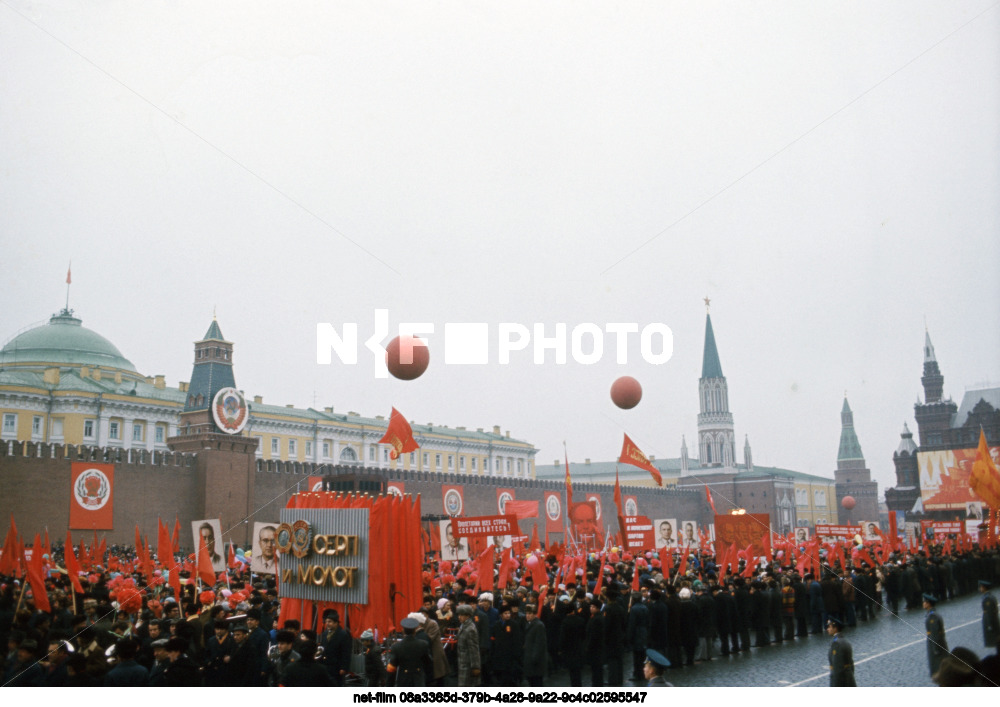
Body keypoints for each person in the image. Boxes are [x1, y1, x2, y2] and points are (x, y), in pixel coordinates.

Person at [386, 617, 431, 687]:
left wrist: (389, 685)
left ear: (403, 630)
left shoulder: (396, 647)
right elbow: (428, 663)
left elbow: (392, 669)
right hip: (419, 680)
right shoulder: (423, 644)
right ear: (415, 630)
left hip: (403, 680)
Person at [318, 609, 352, 686]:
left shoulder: (343, 635)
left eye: (329, 622)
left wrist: (344, 667)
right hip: (326, 666)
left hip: (337, 667)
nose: (327, 624)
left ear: (336, 623)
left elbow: (346, 653)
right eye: (326, 622)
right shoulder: (325, 633)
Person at [455, 606, 481, 687]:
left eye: (462, 615)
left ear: (468, 616)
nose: (459, 617)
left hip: (468, 663)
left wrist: (475, 666)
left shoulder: (470, 629)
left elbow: (474, 649)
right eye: (458, 615)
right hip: (462, 661)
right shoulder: (463, 625)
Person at [522, 603, 547, 687]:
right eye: (526, 613)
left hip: (535, 660)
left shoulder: (539, 625)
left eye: (530, 613)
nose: (527, 615)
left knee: (537, 683)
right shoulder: (529, 624)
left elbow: (539, 643)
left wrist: (534, 658)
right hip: (529, 658)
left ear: (534, 614)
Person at [826, 617, 855, 686]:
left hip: (841, 680)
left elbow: (837, 666)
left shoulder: (836, 644)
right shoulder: (845, 641)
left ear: (835, 629)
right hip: (849, 676)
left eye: (829, 627)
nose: (827, 629)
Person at [924, 594, 948, 678]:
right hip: (938, 642)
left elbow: (934, 633)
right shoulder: (932, 614)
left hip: (935, 644)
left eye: (925, 602)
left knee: (939, 667)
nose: (923, 603)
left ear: (929, 604)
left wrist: (935, 648)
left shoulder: (932, 617)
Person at [980, 580, 1000, 651]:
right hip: (994, 621)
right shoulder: (990, 596)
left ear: (984, 588)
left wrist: (989, 624)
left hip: (992, 622)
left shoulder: (987, 598)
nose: (980, 589)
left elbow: (989, 613)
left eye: (981, 587)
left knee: (996, 640)